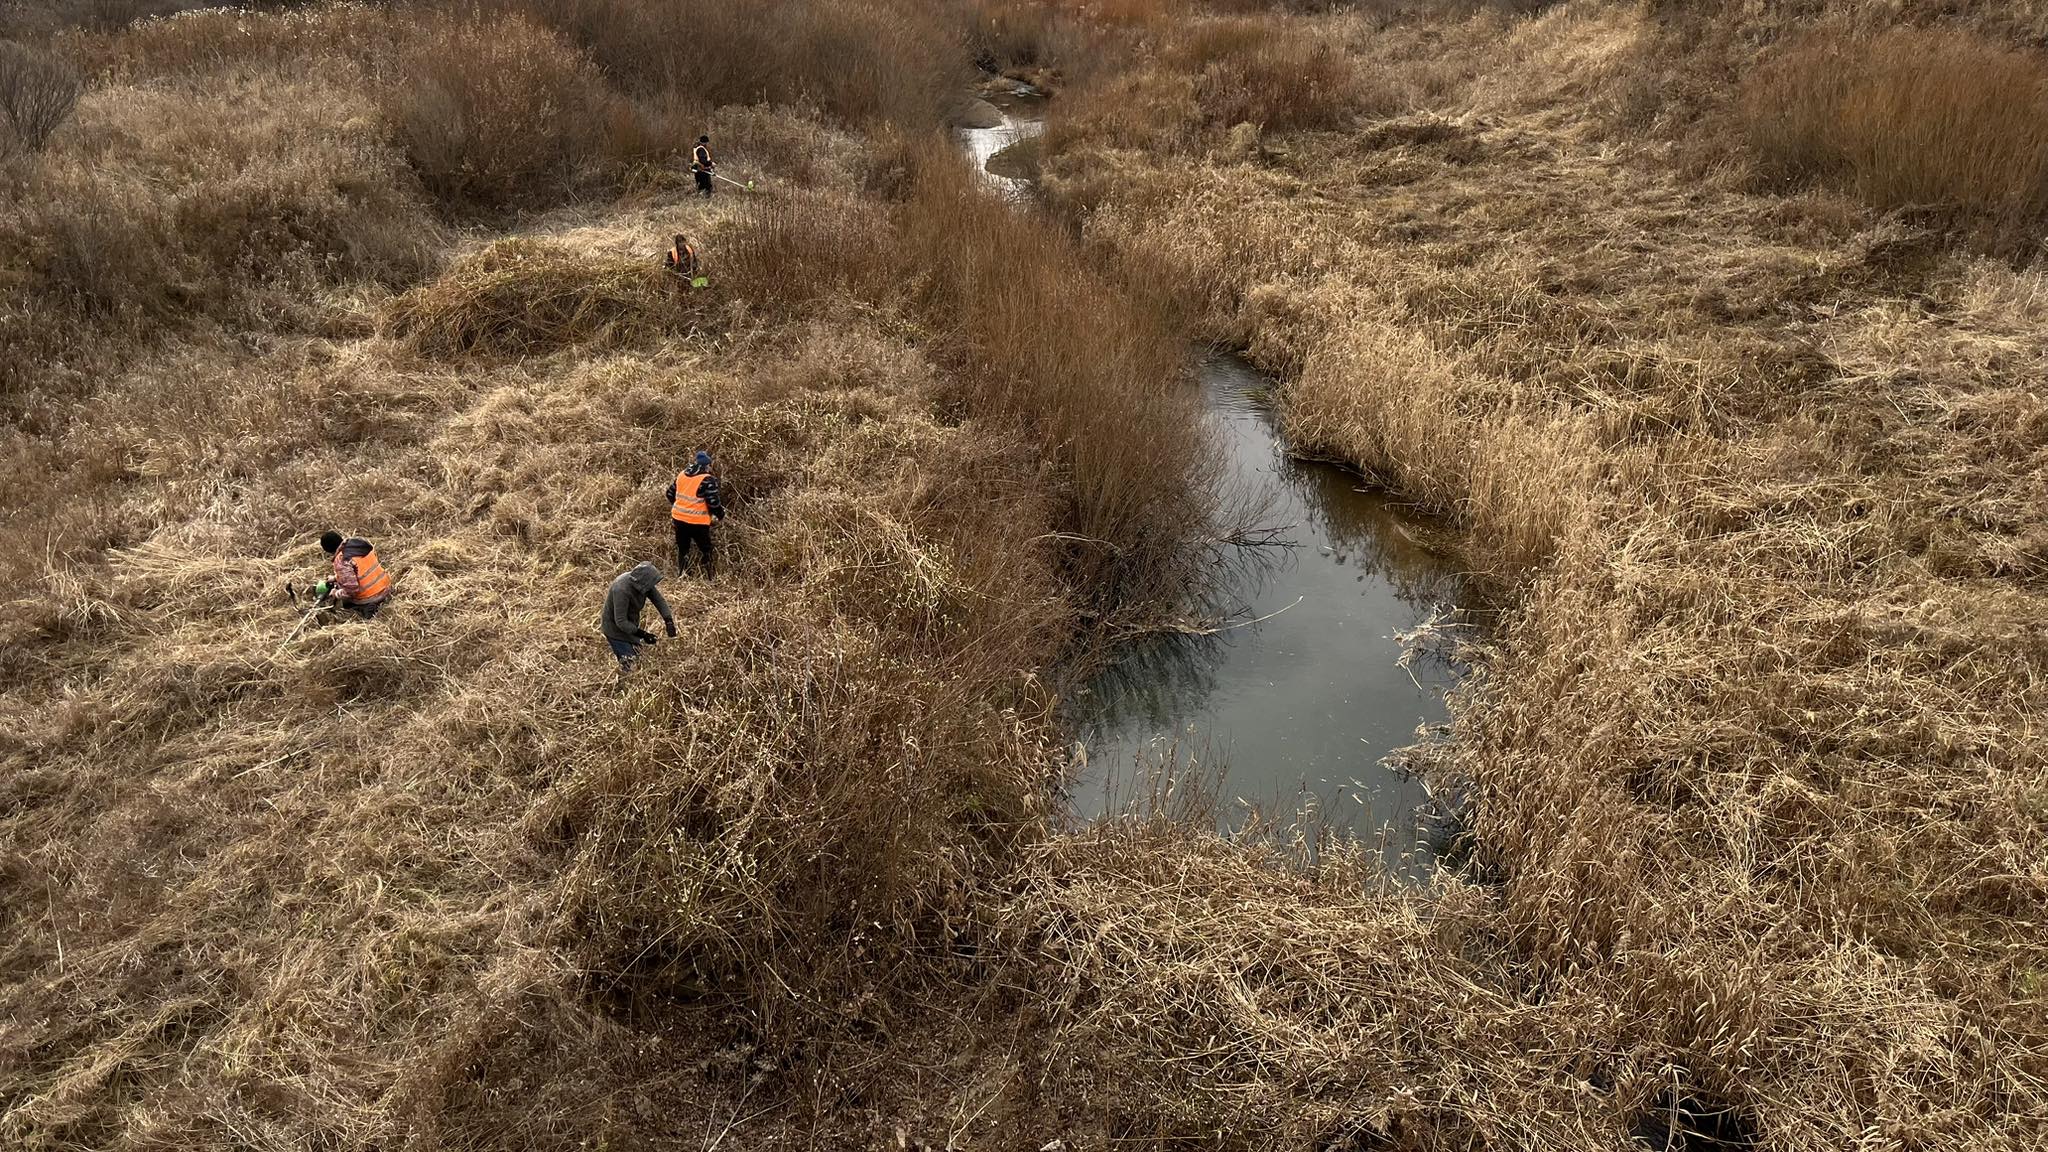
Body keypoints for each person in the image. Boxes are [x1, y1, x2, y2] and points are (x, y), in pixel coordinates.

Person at [600, 561, 676, 670]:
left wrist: (668, 621)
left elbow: (659, 600)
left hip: (630, 626)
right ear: (642, 581)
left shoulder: (643, 583)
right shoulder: (621, 589)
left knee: (640, 661)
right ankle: (625, 683)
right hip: (615, 631)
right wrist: (643, 634)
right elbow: (621, 621)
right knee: (631, 665)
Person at [666, 450, 725, 578]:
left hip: (679, 519)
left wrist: (680, 506)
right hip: (698, 522)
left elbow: (669, 494)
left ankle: (682, 575)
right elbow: (713, 503)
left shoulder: (682, 475)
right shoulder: (707, 479)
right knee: (706, 549)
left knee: (683, 549)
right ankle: (710, 577)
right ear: (708, 466)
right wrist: (720, 515)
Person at [316, 530, 392, 619]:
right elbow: (360, 571)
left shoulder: (341, 560)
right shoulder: (357, 544)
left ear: (328, 550)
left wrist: (336, 593)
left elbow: (352, 590)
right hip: (386, 586)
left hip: (372, 596)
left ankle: (368, 608)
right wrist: (336, 578)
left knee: (345, 604)